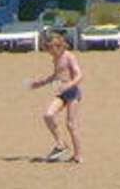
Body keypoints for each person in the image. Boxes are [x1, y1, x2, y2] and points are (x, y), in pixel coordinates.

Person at [29, 32, 83, 164]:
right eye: (47, 49)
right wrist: (40, 83)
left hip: (73, 92)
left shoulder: (69, 56)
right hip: (62, 93)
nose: (49, 52)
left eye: (50, 48)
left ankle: (78, 155)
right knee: (48, 115)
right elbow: (56, 75)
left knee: (70, 124)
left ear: (58, 46)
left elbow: (79, 75)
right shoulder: (55, 59)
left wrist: (69, 85)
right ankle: (61, 144)